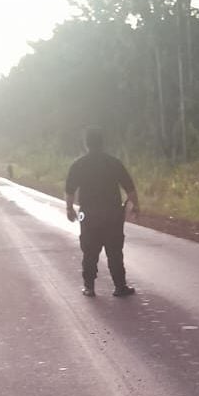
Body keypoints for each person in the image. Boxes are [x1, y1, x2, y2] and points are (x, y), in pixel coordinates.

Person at [65, 127, 139, 297]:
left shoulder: (79, 164)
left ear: (86, 144)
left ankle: (89, 287)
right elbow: (130, 188)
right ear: (102, 143)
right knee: (114, 251)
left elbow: (69, 190)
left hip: (88, 214)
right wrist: (136, 206)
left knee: (89, 251)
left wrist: (69, 209)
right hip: (112, 213)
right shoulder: (113, 163)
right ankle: (120, 287)